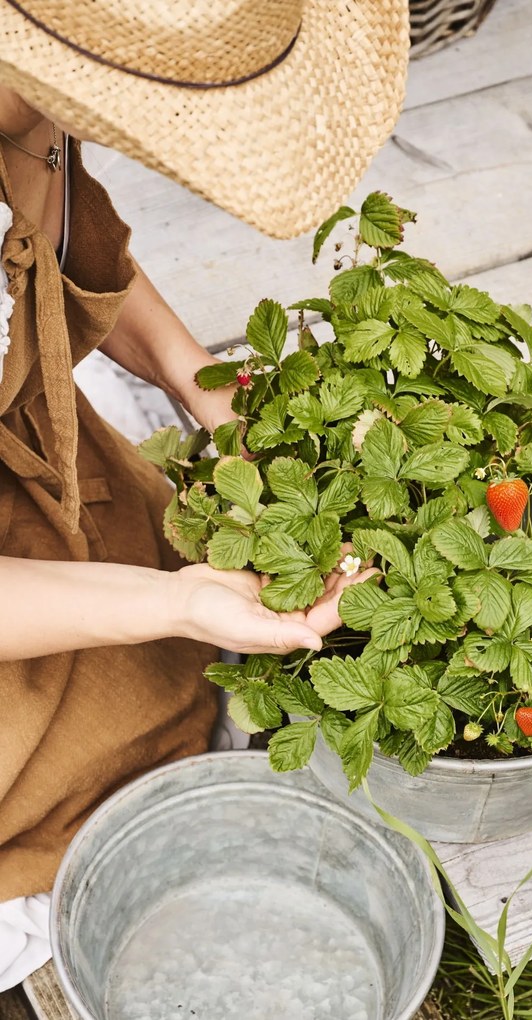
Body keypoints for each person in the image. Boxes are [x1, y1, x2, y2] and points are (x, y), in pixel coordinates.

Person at [0, 0, 410, 990]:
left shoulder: (21, 106)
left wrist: (198, 382)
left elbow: (45, 253)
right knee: (105, 736)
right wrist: (178, 601)